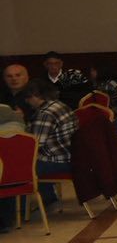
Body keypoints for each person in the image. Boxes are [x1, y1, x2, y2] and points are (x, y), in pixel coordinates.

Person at [21, 81, 76, 211]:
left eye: (27, 98)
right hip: (72, 155)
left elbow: (35, 145)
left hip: (60, 161)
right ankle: (48, 199)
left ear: (35, 96)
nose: (27, 102)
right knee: (35, 160)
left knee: (21, 169)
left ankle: (20, 210)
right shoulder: (59, 105)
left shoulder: (45, 114)